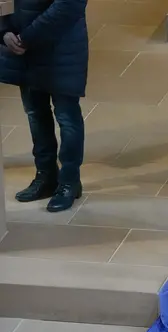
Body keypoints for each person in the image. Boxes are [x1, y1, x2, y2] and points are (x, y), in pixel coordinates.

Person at [0, 0, 89, 212]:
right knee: (35, 114)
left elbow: (69, 6)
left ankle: (69, 182)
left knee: (67, 118)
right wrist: (4, 32)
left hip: (61, 48)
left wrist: (27, 37)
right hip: (24, 50)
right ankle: (46, 176)